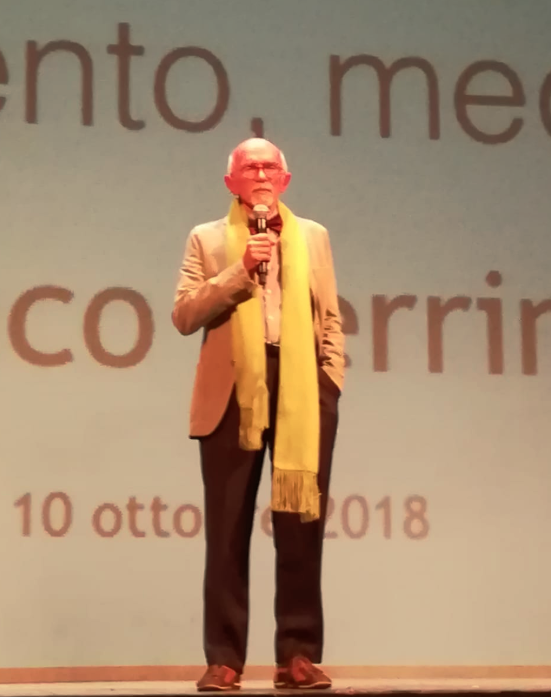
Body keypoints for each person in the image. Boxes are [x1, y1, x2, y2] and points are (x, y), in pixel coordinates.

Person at [172, 138, 345, 691]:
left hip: (302, 389)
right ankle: (224, 659)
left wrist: (330, 379)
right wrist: (240, 269)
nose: (262, 174)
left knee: (301, 529)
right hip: (233, 391)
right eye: (251, 167)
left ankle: (298, 654)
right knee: (227, 530)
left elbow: (329, 315)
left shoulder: (313, 236)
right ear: (232, 183)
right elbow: (184, 314)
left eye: (271, 166)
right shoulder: (207, 238)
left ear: (286, 180)